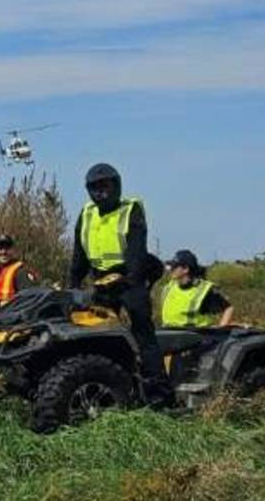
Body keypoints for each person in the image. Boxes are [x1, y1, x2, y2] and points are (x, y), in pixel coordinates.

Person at [69, 163, 171, 404]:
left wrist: (129, 280)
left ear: (116, 186)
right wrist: (72, 284)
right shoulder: (86, 213)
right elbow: (78, 255)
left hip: (129, 279)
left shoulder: (130, 210)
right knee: (98, 335)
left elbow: (137, 251)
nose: (101, 193)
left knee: (143, 333)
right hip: (100, 282)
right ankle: (115, 387)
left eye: (105, 186)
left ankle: (160, 395)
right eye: (95, 188)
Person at [161, 250, 234, 328]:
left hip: (194, 337)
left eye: (174, 267)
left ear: (186, 269)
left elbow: (228, 308)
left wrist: (220, 330)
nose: (171, 269)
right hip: (168, 336)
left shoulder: (204, 290)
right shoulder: (169, 287)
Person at [0, 234, 39, 321]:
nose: (3, 252)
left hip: (10, 323)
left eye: (7, 248)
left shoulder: (19, 272)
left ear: (13, 250)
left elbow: (29, 300)